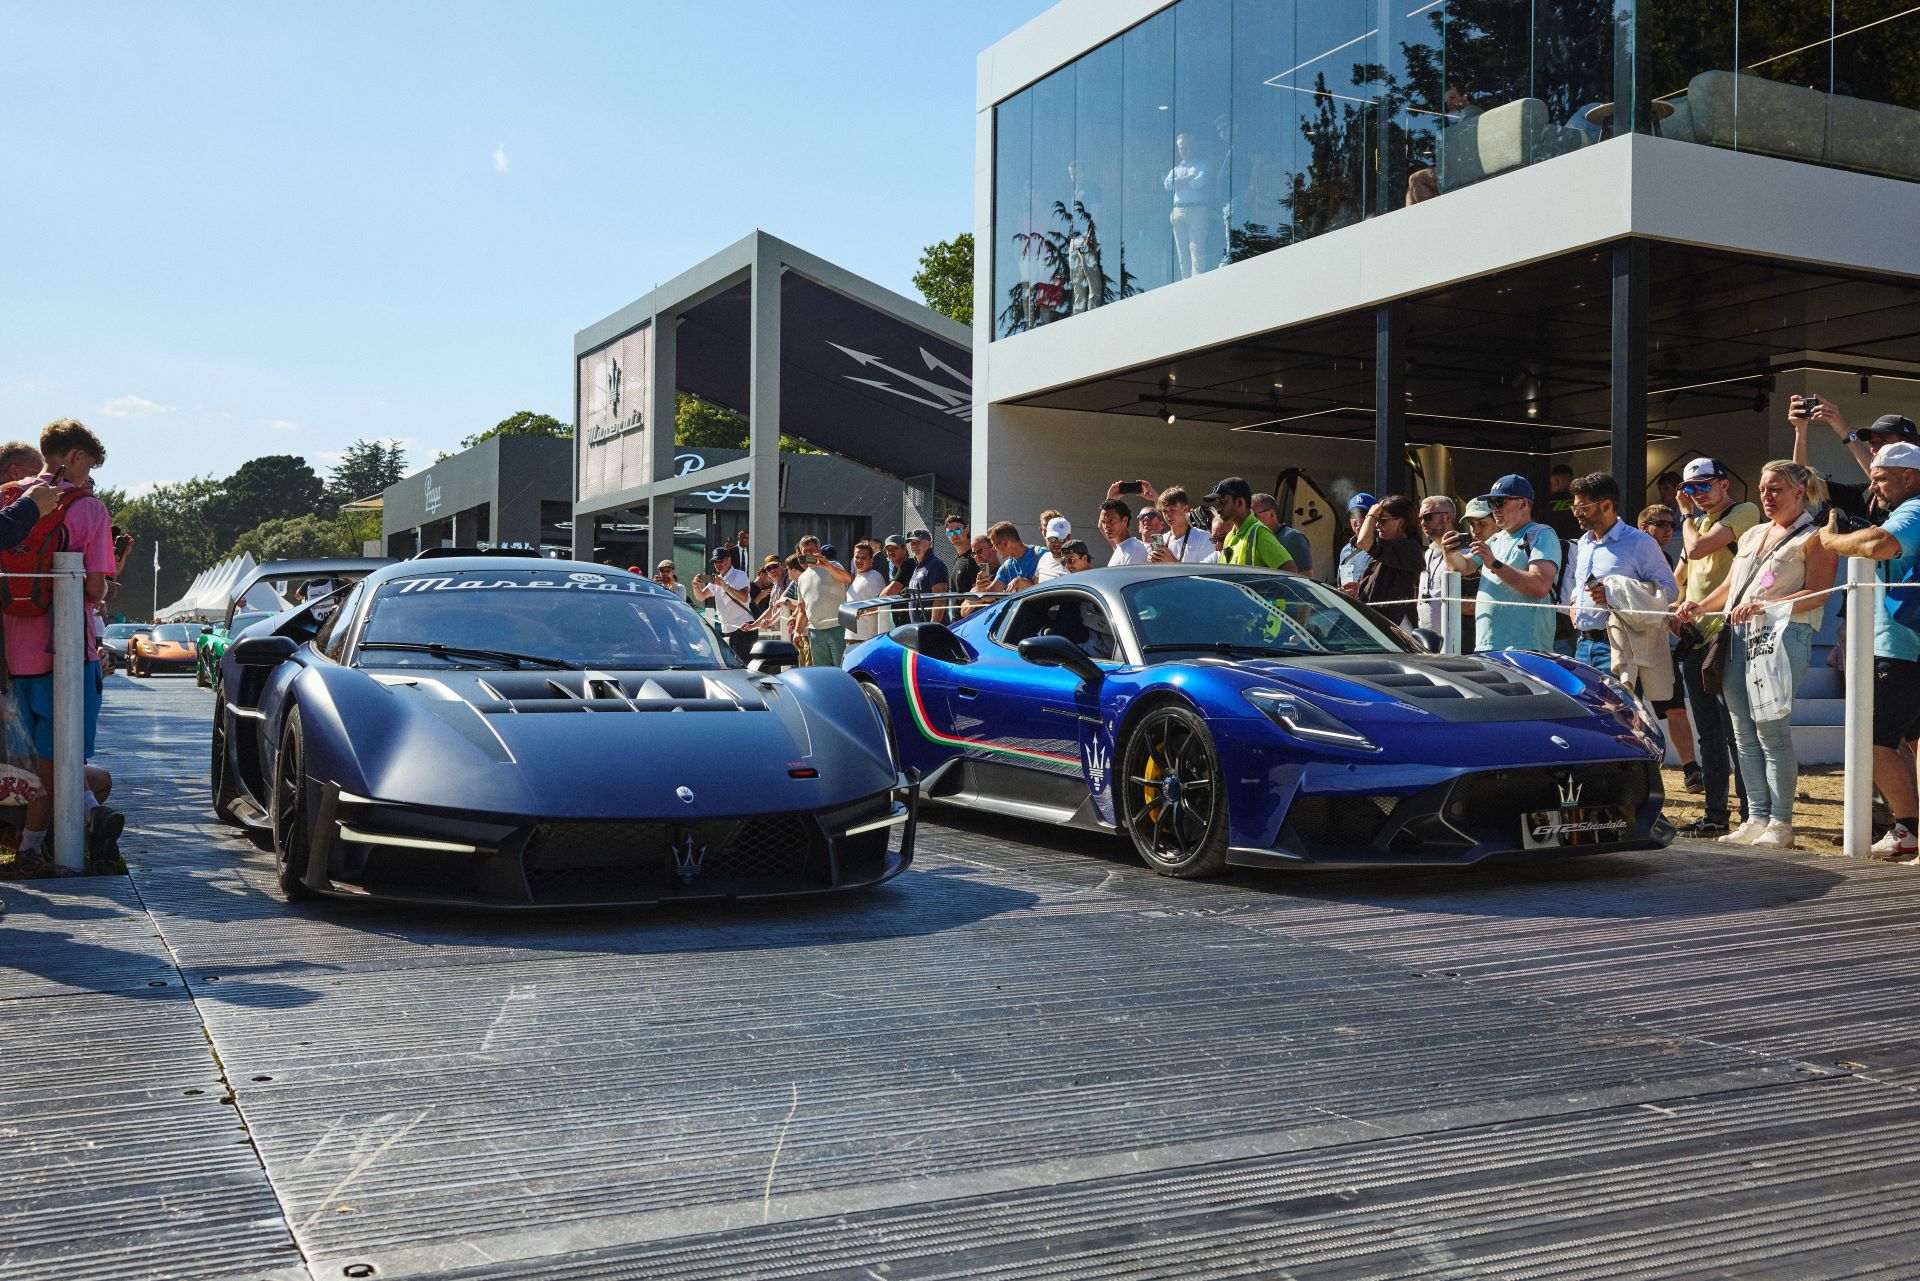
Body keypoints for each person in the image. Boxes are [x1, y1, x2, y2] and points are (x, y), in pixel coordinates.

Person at [1677, 460, 1836, 850]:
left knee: (1771, 731)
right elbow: (1732, 588)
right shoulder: (1752, 535)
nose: (1767, 496)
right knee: (1742, 732)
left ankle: (1781, 822)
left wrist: (1769, 606)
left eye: (1776, 489)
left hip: (1783, 638)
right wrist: (1697, 606)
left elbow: (1819, 593)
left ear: (1800, 491)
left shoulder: (1814, 537)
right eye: (1764, 489)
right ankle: (1757, 816)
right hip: (1736, 637)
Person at [7, 421, 120, 874]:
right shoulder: (89, 508)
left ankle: (44, 840)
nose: (89, 472)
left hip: (12, 657)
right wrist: (108, 589)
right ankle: (65, 833)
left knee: (36, 762)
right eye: (89, 462)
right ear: (74, 456)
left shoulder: (10, 495)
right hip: (66, 653)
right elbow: (94, 588)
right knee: (65, 758)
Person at [1819, 441, 1920, 858]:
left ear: (1909, 476)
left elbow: (1877, 544)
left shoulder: (1913, 510)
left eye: (1879, 478)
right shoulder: (1904, 508)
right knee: (1913, 740)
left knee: (1871, 742)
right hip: (1903, 644)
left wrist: (1830, 541)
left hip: (1899, 648)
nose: (1873, 486)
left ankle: (1909, 826)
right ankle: (1909, 829)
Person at [1674, 456, 1761, 838]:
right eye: (1690, 489)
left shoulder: (1743, 510)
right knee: (1708, 733)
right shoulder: (1701, 522)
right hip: (1696, 640)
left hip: (1728, 637)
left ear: (1725, 483)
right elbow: (1680, 575)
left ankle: (1750, 814)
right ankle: (1715, 814)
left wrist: (1683, 516)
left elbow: (1696, 550)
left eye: (1704, 486)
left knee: (1736, 730)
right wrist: (1673, 608)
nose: (1697, 495)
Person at [1561, 472, 1677, 675]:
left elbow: (1670, 590)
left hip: (1621, 645)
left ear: (1606, 505)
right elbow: (1580, 585)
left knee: (1618, 707)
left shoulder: (1639, 542)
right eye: (1575, 507)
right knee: (1589, 707)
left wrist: (1616, 593)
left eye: (1583, 507)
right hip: (1582, 645)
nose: (1576, 513)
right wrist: (1573, 603)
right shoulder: (1583, 543)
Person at [1443, 474, 1562, 654]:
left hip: (1525, 647)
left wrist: (1494, 564)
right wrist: (1449, 551)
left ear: (1523, 504)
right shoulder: (1496, 538)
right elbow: (1463, 567)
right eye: (1491, 503)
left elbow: (1539, 585)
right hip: (1487, 645)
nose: (1494, 509)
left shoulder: (1542, 534)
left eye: (1500, 502)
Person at [1637, 504, 1700, 792]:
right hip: (1627, 644)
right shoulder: (1631, 551)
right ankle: (1636, 770)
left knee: (1676, 708)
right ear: (1643, 527)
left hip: (1659, 643)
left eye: (1670, 524)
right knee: (1628, 710)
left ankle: (1691, 770)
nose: (1667, 530)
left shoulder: (1664, 558)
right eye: (1659, 524)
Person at [1794, 397, 1916, 524]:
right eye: (1872, 443)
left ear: (1909, 446)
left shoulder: (1914, 498)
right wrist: (1800, 430)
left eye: (1883, 441)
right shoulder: (1864, 494)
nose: (1874, 448)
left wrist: (1844, 431)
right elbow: (1803, 482)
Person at [1348, 494, 1423, 627]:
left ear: (1400, 522)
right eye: (1377, 520)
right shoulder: (1391, 546)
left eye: (1382, 520)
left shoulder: (1409, 547)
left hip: (1396, 623)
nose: (1377, 525)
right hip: (1379, 620)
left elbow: (1363, 541)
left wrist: (1371, 514)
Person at [1415, 495, 1477, 640]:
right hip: (1428, 641)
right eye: (1420, 519)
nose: (1423, 523)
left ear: (1448, 517)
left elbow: (1477, 601)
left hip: (1458, 642)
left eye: (1428, 517)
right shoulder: (1427, 552)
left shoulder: (1466, 551)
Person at [1203, 477, 1293, 569]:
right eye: (1217, 502)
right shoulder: (1230, 537)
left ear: (1240, 502)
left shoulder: (1259, 535)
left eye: (1223, 501)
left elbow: (1290, 571)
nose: (1218, 507)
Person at [793, 535, 853, 666]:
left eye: (812, 550)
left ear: (819, 550)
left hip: (838, 627)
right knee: (823, 673)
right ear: (801, 553)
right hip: (815, 632)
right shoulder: (802, 578)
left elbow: (847, 579)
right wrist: (797, 632)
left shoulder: (833, 565)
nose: (808, 553)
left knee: (842, 670)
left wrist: (826, 566)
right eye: (805, 551)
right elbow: (802, 611)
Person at [1163, 131, 1213, 281]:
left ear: (1195, 146)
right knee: (1182, 250)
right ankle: (1186, 282)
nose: (1184, 150)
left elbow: (1199, 183)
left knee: (1196, 248)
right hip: (1178, 210)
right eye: (1181, 147)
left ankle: (1197, 282)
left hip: (1197, 209)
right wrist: (1190, 176)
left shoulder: (1204, 164)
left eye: (1187, 146)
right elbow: (1168, 185)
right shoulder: (1175, 169)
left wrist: (1181, 182)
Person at [692, 545, 755, 660]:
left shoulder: (739, 575)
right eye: (715, 561)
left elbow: (744, 598)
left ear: (729, 559)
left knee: (742, 666)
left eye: (720, 561)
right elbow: (701, 597)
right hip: (729, 629)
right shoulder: (716, 579)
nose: (717, 564)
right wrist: (695, 586)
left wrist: (725, 586)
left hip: (744, 627)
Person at [1252, 493, 1314, 576]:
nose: (1251, 520)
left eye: (1254, 515)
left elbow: (1305, 577)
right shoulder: (1253, 538)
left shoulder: (1293, 538)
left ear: (1271, 514)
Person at [842, 541, 889, 648]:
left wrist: (862, 611)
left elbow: (881, 604)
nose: (859, 560)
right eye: (857, 557)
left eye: (863, 558)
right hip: (852, 636)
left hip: (866, 638)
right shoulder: (856, 579)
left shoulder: (875, 576)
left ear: (871, 560)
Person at [1149, 486, 1212, 564]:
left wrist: (1173, 562)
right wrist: (1152, 563)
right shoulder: (1161, 539)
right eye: (1164, 511)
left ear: (1185, 509)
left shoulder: (1203, 537)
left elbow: (1206, 572)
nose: (1168, 515)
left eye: (1172, 510)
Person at [903, 528, 950, 621]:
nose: (914, 546)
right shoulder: (919, 566)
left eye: (918, 542)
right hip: (920, 627)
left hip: (931, 630)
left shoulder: (936, 564)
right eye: (912, 543)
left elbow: (940, 600)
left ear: (930, 543)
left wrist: (932, 628)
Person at [1337, 493, 1375, 587]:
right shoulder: (1345, 550)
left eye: (1363, 513)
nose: (1357, 519)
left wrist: (1360, 588)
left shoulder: (1382, 546)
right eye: (1353, 514)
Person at [1097, 499, 1150, 566]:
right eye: (1103, 522)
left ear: (1125, 520)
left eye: (1111, 521)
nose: (1106, 526)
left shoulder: (1134, 549)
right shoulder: (1121, 548)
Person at [1542, 464, 1582, 545]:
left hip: (1552, 548)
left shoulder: (1545, 503)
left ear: (1557, 481)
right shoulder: (1580, 501)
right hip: (1578, 547)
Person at [943, 518, 980, 594]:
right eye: (950, 533)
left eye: (958, 530)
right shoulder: (958, 559)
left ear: (966, 530)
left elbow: (978, 592)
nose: (954, 534)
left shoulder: (974, 557)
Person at [1035, 516, 1073, 581]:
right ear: (1046, 537)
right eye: (1052, 538)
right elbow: (1036, 584)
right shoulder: (1044, 557)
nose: (1056, 543)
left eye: (1061, 539)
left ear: (1069, 538)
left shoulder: (1076, 563)